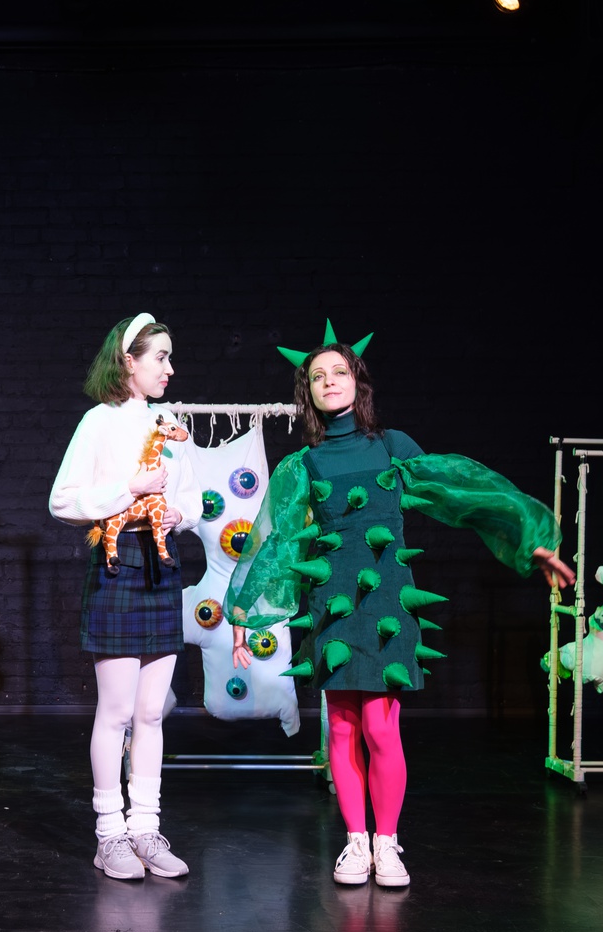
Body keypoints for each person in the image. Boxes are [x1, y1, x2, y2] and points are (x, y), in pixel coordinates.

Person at [226, 323, 573, 888]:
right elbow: (275, 542)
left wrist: (529, 538)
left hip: (387, 600)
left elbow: (462, 493)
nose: (329, 381)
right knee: (342, 728)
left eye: (339, 371)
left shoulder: (392, 447)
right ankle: (355, 842)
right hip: (334, 603)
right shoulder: (302, 465)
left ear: (357, 380)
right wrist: (244, 612)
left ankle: (387, 842)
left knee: (380, 727)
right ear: (307, 391)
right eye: (318, 376)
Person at [49, 313, 204, 880]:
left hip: (162, 561)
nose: (169, 368)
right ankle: (110, 834)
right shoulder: (99, 421)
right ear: (127, 361)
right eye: (160, 357)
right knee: (116, 711)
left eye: (170, 357)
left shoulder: (169, 423)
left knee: (151, 713)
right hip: (118, 562)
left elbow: (195, 499)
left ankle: (146, 828)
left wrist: (178, 511)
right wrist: (128, 489)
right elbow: (62, 500)